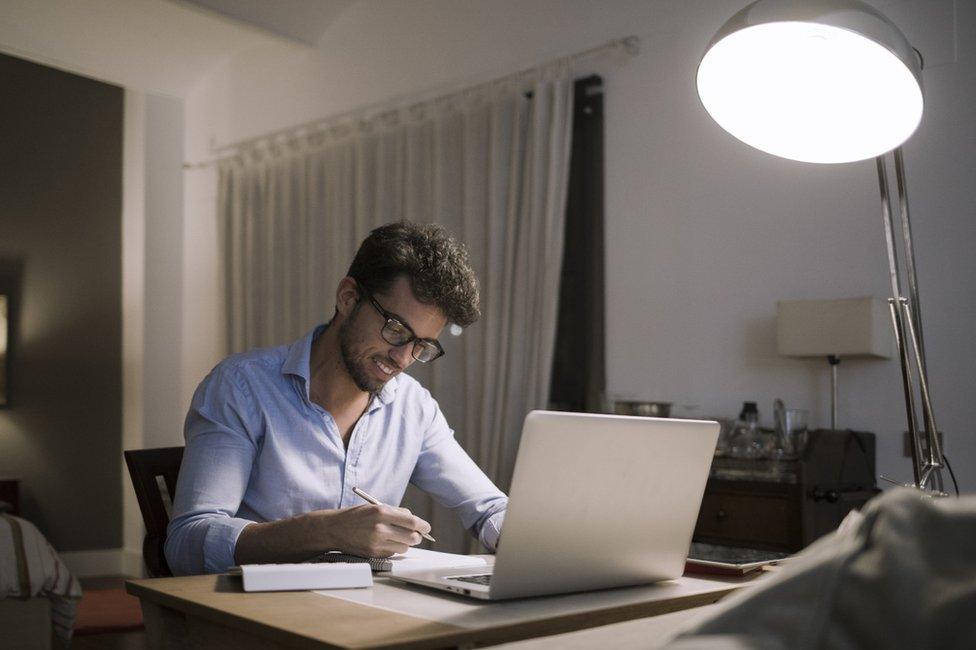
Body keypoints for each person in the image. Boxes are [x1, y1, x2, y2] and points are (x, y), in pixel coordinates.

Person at [165, 221, 508, 575]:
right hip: (256, 615)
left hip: (363, 614)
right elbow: (187, 544)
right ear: (348, 298)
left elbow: (489, 508)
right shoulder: (241, 387)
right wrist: (325, 531)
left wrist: (528, 537)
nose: (403, 359)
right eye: (395, 330)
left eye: (421, 345)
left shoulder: (413, 408)